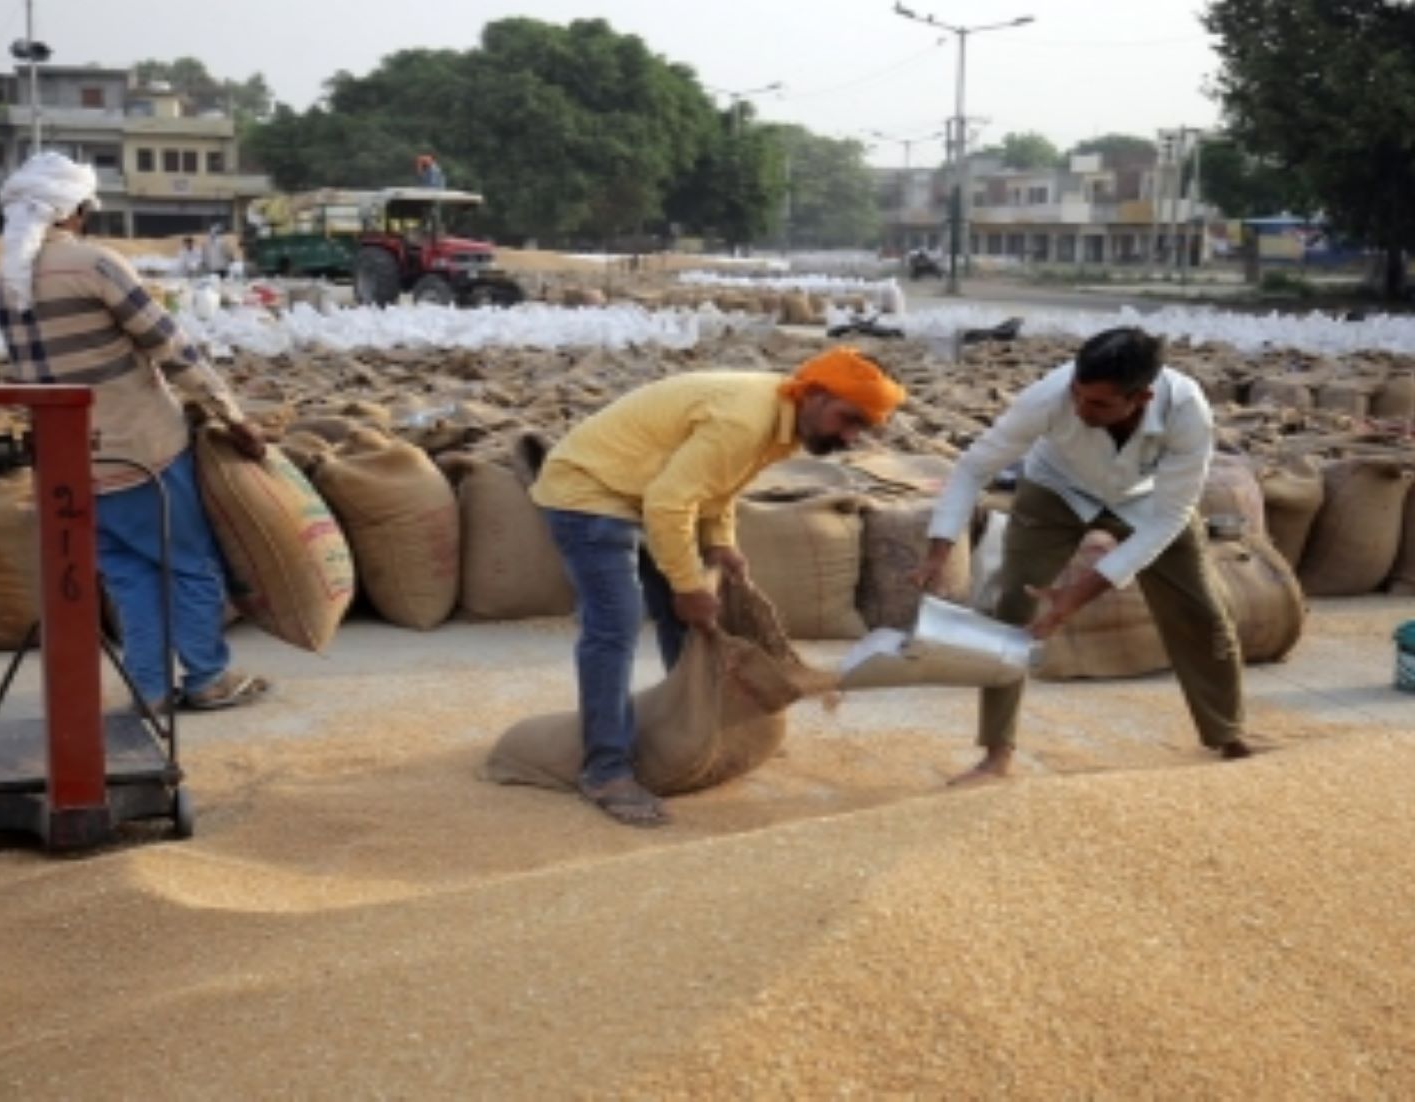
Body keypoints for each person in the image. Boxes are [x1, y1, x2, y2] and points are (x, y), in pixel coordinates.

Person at [532, 348, 909, 826]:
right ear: (814, 394)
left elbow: (718, 487)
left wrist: (720, 544)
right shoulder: (745, 419)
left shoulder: (786, 420)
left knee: (682, 618)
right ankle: (605, 770)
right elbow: (670, 503)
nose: (850, 436)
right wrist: (689, 585)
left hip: (643, 492)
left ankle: (694, 731)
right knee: (616, 625)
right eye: (848, 419)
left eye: (863, 428)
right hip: (588, 490)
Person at [0, 152, 272, 715]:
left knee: (129, 576)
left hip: (71, 467)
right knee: (190, 565)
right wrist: (232, 416)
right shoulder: (95, 265)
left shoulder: (2, 287)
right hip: (144, 453)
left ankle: (150, 688)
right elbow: (172, 346)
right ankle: (208, 677)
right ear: (78, 210)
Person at [913, 326, 1251, 783]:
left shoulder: (1188, 411)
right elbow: (974, 466)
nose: (1080, 408)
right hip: (1056, 489)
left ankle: (1227, 733)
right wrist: (940, 547)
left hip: (1147, 500)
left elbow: (1170, 516)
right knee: (1011, 609)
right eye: (1078, 395)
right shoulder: (1049, 396)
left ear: (1142, 398)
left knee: (1202, 611)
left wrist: (1080, 591)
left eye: (1098, 405)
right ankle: (997, 755)